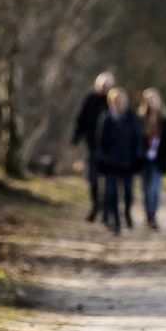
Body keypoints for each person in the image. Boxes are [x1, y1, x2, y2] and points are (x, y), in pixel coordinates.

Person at [95, 87, 143, 236]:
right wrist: (103, 159)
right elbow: (100, 141)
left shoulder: (132, 118)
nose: (120, 104)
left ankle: (127, 212)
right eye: (117, 102)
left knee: (128, 193)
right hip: (110, 164)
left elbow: (137, 139)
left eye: (123, 101)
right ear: (112, 103)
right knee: (111, 194)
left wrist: (137, 157)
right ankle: (115, 222)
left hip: (128, 163)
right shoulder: (106, 119)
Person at [73, 71, 115, 222]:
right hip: (92, 146)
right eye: (102, 84)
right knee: (93, 179)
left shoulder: (114, 101)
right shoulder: (90, 99)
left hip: (111, 149)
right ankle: (96, 204)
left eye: (107, 84)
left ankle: (107, 210)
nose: (104, 87)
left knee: (110, 181)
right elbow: (81, 119)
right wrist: (76, 137)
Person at [137, 88, 166, 230]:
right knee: (145, 189)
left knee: (154, 190)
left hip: (159, 160)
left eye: (154, 100)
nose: (152, 103)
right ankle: (148, 214)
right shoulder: (141, 120)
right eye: (149, 101)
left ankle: (153, 216)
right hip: (144, 160)